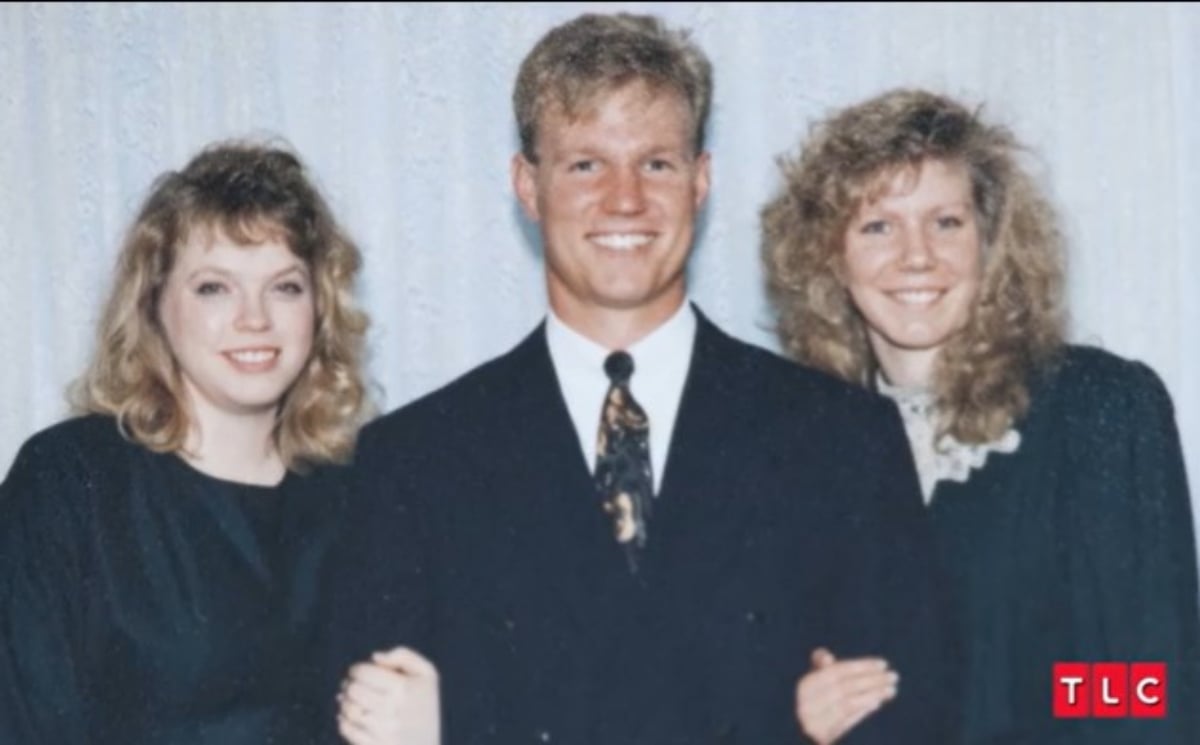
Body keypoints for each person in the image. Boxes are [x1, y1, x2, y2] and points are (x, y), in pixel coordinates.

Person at [325, 13, 956, 744]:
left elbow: (911, 719)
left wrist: (464, 714)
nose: (624, 199)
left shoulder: (841, 437)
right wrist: (781, 719)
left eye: (655, 163)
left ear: (700, 181)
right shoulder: (415, 461)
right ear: (528, 187)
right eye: (585, 164)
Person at [762, 87, 1200, 744]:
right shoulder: (798, 449)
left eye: (946, 222)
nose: (917, 256)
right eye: (878, 225)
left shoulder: (1098, 405)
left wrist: (1015, 692)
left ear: (990, 243)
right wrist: (795, 714)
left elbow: (1147, 683)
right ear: (831, 258)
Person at [0, 140, 372, 744]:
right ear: (152, 307)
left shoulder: (361, 497)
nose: (255, 319)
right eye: (213, 288)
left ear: (320, 308)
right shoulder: (68, 482)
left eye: (285, 287)